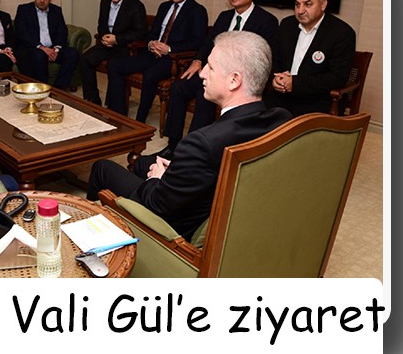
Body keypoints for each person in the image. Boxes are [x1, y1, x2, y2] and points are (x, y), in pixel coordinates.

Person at [87, 31, 292, 241]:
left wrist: (158, 179)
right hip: (212, 200)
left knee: (102, 168)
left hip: (176, 227)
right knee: (142, 163)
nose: (202, 73)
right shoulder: (281, 120)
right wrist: (179, 171)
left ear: (234, 80)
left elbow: (157, 205)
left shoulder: (201, 143)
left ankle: (90, 239)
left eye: (210, 67)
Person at [155, 0, 279, 158]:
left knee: (204, 95)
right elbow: (207, 44)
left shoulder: (266, 21)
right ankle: (173, 145)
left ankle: (193, 150)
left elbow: (264, 59)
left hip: (238, 81)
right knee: (179, 87)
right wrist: (198, 60)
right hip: (213, 72)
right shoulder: (224, 16)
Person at [104, 0, 208, 122]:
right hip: (152, 53)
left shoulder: (197, 10)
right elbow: (150, 34)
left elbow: (197, 42)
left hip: (173, 59)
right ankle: (119, 114)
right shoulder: (164, 7)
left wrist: (169, 49)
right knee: (114, 65)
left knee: (150, 75)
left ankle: (140, 121)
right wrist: (151, 43)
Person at [264, 0, 356, 116]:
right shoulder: (287, 25)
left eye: (308, 4)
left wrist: (295, 84)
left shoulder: (342, 33)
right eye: (297, 4)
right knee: (252, 118)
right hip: (281, 95)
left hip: (317, 100)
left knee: (285, 125)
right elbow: (274, 59)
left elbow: (336, 78)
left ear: (323, 5)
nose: (300, 11)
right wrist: (276, 78)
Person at [79, 0, 147, 105]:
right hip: (106, 45)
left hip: (125, 47)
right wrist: (104, 37)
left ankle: (113, 105)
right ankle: (93, 100)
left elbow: (141, 33)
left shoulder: (136, 6)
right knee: (85, 59)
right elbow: (101, 25)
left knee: (113, 66)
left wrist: (116, 39)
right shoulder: (104, 2)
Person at [14, 0, 80, 90]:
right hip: (33, 48)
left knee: (73, 53)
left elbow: (62, 31)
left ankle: (58, 87)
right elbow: (22, 33)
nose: (42, 1)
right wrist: (41, 47)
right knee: (40, 55)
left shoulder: (56, 10)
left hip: (53, 48)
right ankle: (43, 88)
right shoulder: (24, 10)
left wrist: (56, 49)